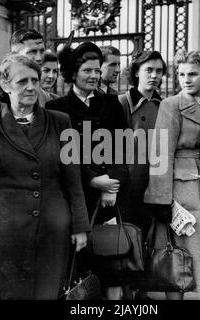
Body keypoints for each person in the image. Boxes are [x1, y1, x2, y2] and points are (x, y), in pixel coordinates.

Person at [0, 54, 90, 300]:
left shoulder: (61, 122)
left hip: (53, 228)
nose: (31, 87)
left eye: (35, 80)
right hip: (4, 231)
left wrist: (79, 226)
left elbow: (73, 179)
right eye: (23, 81)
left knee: (47, 293)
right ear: (5, 85)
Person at [46, 41, 129, 300]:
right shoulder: (56, 108)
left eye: (97, 70)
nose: (94, 76)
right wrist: (94, 181)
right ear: (72, 74)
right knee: (75, 267)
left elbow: (123, 149)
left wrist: (112, 185)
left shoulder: (112, 104)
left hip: (108, 198)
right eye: (87, 71)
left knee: (111, 262)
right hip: (73, 195)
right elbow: (60, 156)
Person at [144, 50, 200, 299]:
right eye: (181, 74)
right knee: (177, 251)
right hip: (180, 185)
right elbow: (160, 153)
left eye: (192, 74)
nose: (185, 79)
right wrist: (160, 198)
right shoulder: (171, 105)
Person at [118, 50, 166, 300]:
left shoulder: (165, 105)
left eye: (159, 71)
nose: (154, 75)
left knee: (149, 238)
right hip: (129, 186)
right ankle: (127, 294)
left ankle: (143, 292)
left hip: (157, 184)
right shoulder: (122, 102)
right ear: (136, 71)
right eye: (149, 70)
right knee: (128, 239)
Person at [0, 29, 49, 115]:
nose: (39, 58)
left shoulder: (45, 96)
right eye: (32, 52)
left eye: (42, 51)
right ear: (14, 54)